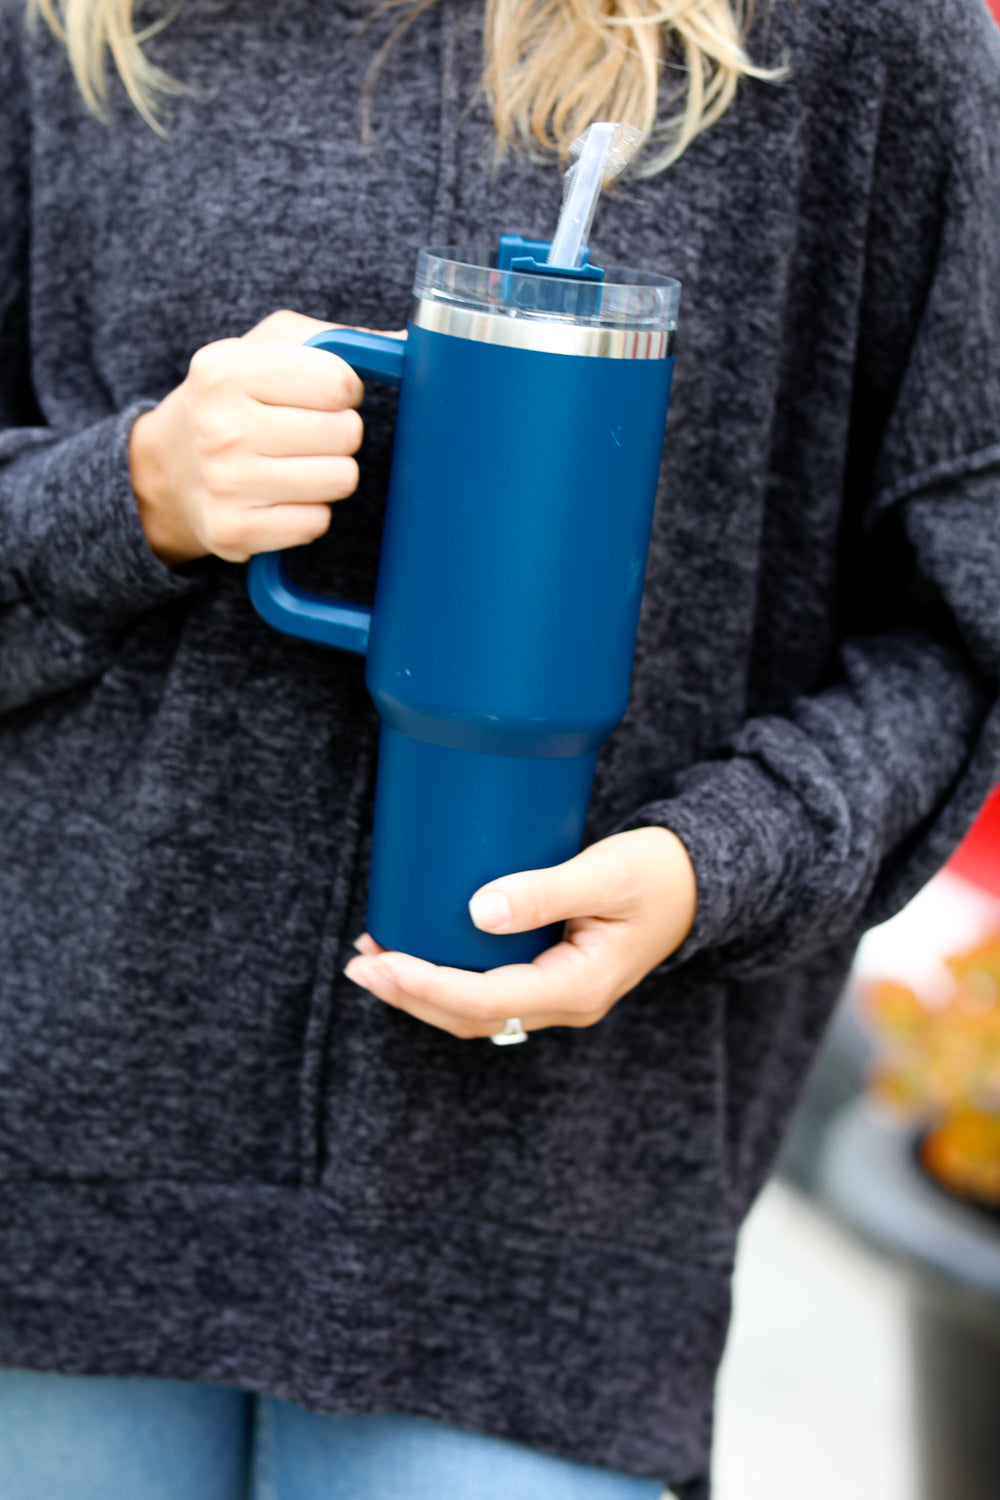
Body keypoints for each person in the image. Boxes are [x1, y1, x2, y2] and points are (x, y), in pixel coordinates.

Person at [0, 0, 998, 1493]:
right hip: (55, 1162)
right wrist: (132, 488)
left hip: (543, 1215)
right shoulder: (65, 30)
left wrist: (717, 862)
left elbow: (964, 614)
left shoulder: (857, 38)